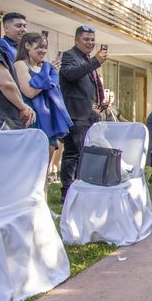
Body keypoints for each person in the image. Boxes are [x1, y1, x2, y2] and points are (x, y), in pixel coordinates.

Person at [59, 25, 107, 202]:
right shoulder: (69, 56)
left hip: (88, 113)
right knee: (76, 153)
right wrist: (95, 61)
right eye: (86, 39)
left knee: (80, 153)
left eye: (92, 40)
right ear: (76, 40)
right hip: (76, 114)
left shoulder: (86, 59)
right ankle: (70, 191)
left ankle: (77, 189)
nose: (90, 43)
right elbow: (70, 75)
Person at [13, 32, 72, 165]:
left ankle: (44, 186)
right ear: (27, 46)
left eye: (45, 47)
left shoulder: (44, 68)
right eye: (39, 47)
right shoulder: (20, 64)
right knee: (30, 165)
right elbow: (29, 92)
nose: (43, 51)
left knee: (45, 165)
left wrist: (49, 74)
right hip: (32, 118)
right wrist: (49, 77)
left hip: (48, 118)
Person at [0, 4, 35, 129]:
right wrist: (23, 106)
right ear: (6, 28)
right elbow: (5, 83)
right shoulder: (2, 46)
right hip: (2, 116)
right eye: (18, 26)